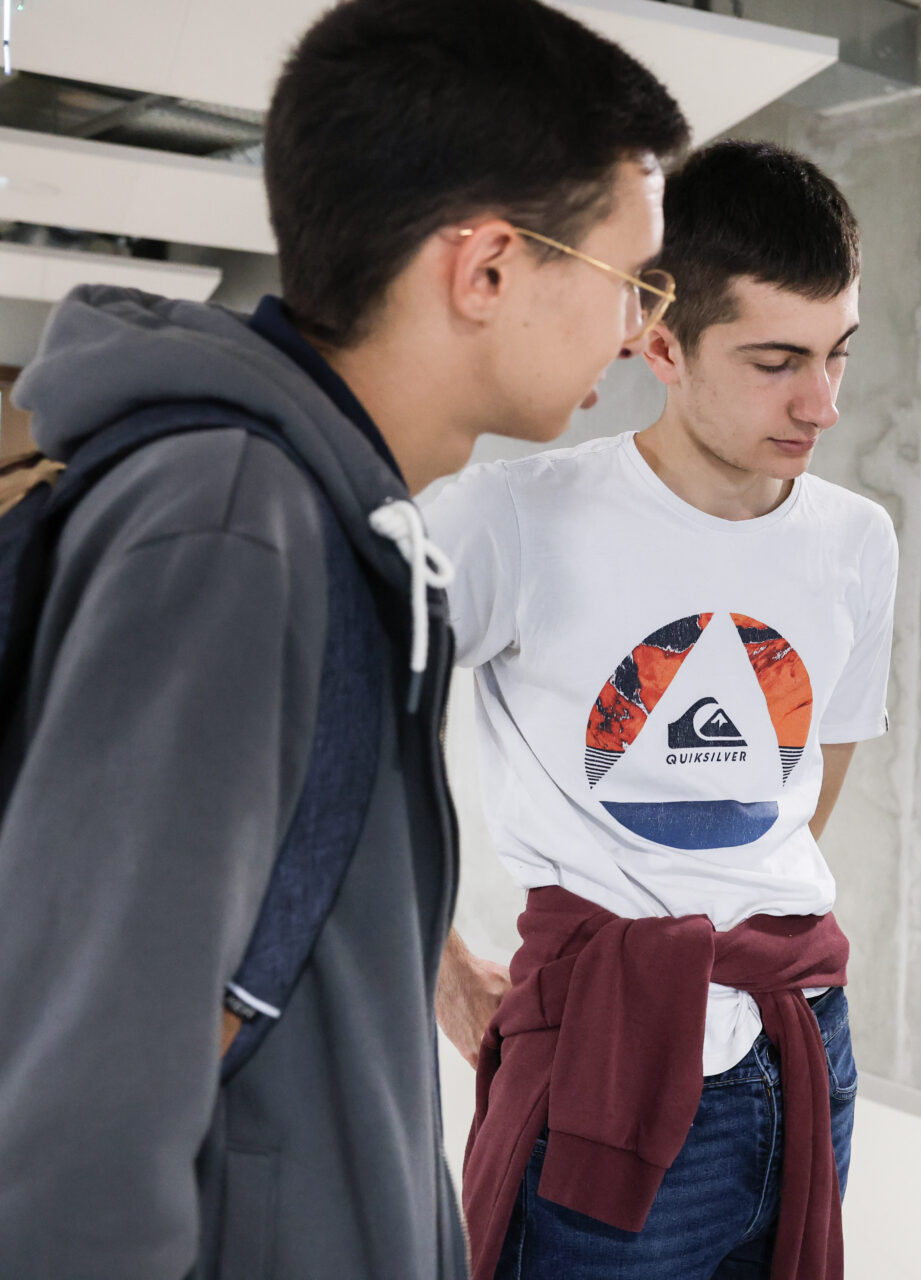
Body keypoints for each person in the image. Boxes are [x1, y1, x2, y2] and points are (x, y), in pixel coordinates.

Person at [0, 1, 687, 1275]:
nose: (641, 332)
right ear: (484, 268)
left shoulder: (331, 520)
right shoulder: (233, 529)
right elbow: (86, 1106)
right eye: (628, 279)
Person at [429, 139, 895, 1280]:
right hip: (609, 1041)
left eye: (838, 354)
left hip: (799, 1039)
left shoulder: (855, 539)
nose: (822, 404)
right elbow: (327, 729)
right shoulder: (514, 517)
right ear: (661, 339)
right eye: (778, 360)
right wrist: (433, 955)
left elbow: (799, 785)